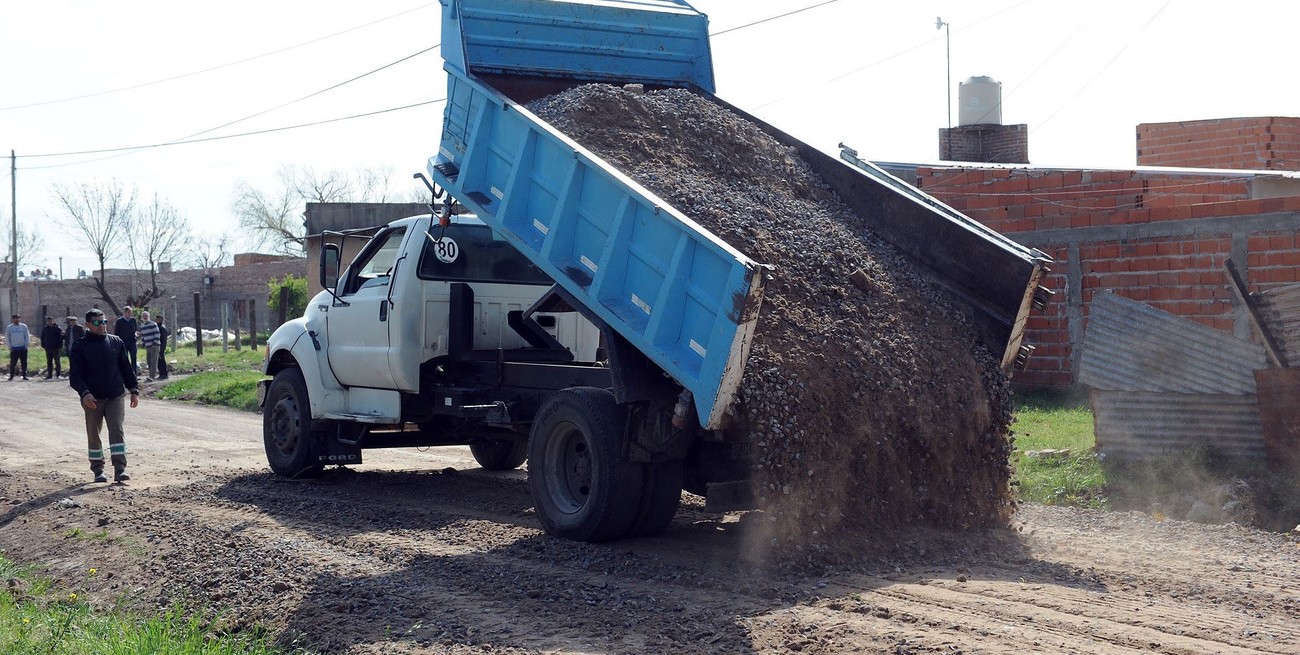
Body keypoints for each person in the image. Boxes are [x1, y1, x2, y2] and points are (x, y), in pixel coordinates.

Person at [69, 308, 140, 483]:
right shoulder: (80, 346)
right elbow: (75, 376)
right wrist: (85, 393)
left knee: (117, 430)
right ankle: (98, 470)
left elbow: (126, 368)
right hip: (92, 398)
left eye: (104, 322)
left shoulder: (116, 342)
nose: (102, 325)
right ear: (87, 324)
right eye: (97, 322)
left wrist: (133, 390)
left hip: (115, 395)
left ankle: (120, 469)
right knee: (94, 433)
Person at [114, 306, 138, 373]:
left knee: (134, 357)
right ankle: (126, 373)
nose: (129, 314)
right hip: (123, 342)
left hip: (132, 342)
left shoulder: (133, 320)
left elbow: (135, 330)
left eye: (130, 312)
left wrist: (136, 334)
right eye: (128, 312)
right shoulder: (119, 321)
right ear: (124, 313)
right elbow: (116, 333)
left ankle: (134, 373)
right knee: (125, 358)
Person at [6, 314, 30, 380]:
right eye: (15, 318)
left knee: (24, 362)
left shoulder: (23, 326)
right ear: (13, 319)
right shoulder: (9, 327)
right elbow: (7, 337)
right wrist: (10, 347)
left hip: (23, 348)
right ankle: (11, 376)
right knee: (13, 363)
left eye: (18, 318)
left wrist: (26, 346)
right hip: (14, 348)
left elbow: (27, 336)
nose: (17, 319)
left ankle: (24, 375)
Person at [138, 310, 160, 381]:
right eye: (143, 316)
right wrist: (143, 342)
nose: (145, 317)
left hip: (154, 345)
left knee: (154, 361)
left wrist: (155, 342)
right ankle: (151, 374)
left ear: (149, 316)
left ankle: (152, 376)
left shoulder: (153, 324)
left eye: (146, 316)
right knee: (149, 361)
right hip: (147, 346)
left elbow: (157, 333)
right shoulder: (142, 326)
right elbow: (143, 335)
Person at [156, 315, 170, 380]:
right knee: (159, 361)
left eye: (158, 319)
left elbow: (164, 339)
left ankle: (164, 374)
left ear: (161, 320)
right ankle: (161, 374)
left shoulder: (162, 328)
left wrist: (162, 348)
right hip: (157, 345)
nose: (156, 320)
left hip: (161, 346)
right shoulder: (157, 327)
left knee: (162, 360)